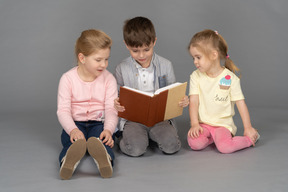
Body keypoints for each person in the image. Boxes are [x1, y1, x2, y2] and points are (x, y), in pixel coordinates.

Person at [114, 16, 189, 157]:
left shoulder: (166, 65)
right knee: (135, 150)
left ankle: (152, 136)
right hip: (134, 120)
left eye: (146, 49)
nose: (141, 55)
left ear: (154, 41)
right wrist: (116, 103)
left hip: (160, 119)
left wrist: (182, 100)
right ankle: (127, 138)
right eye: (135, 51)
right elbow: (117, 95)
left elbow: (173, 92)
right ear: (126, 45)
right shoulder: (121, 68)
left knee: (172, 146)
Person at [57, 29, 118, 179]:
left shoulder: (109, 79)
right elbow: (63, 110)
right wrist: (72, 130)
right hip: (75, 123)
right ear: (82, 58)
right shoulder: (67, 79)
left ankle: (106, 161)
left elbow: (111, 109)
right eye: (98, 60)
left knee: (102, 142)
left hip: (99, 123)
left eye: (106, 59)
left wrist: (109, 130)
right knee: (71, 143)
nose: (103, 64)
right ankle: (67, 161)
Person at [187, 29, 260, 154]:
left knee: (225, 147)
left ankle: (249, 139)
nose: (195, 62)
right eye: (193, 58)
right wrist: (195, 124)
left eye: (198, 57)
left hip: (222, 126)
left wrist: (247, 127)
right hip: (203, 124)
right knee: (195, 143)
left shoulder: (231, 78)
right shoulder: (195, 76)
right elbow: (193, 102)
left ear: (213, 55)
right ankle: (212, 138)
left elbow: (241, 104)